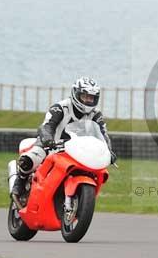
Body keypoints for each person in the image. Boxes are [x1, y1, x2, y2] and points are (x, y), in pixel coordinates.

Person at [11, 77, 115, 205]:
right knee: (31, 159)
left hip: (77, 150)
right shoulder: (60, 107)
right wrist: (47, 138)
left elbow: (103, 134)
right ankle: (19, 182)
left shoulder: (96, 115)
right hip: (52, 145)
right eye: (85, 96)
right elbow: (47, 126)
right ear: (76, 94)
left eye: (91, 98)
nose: (88, 100)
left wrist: (108, 151)